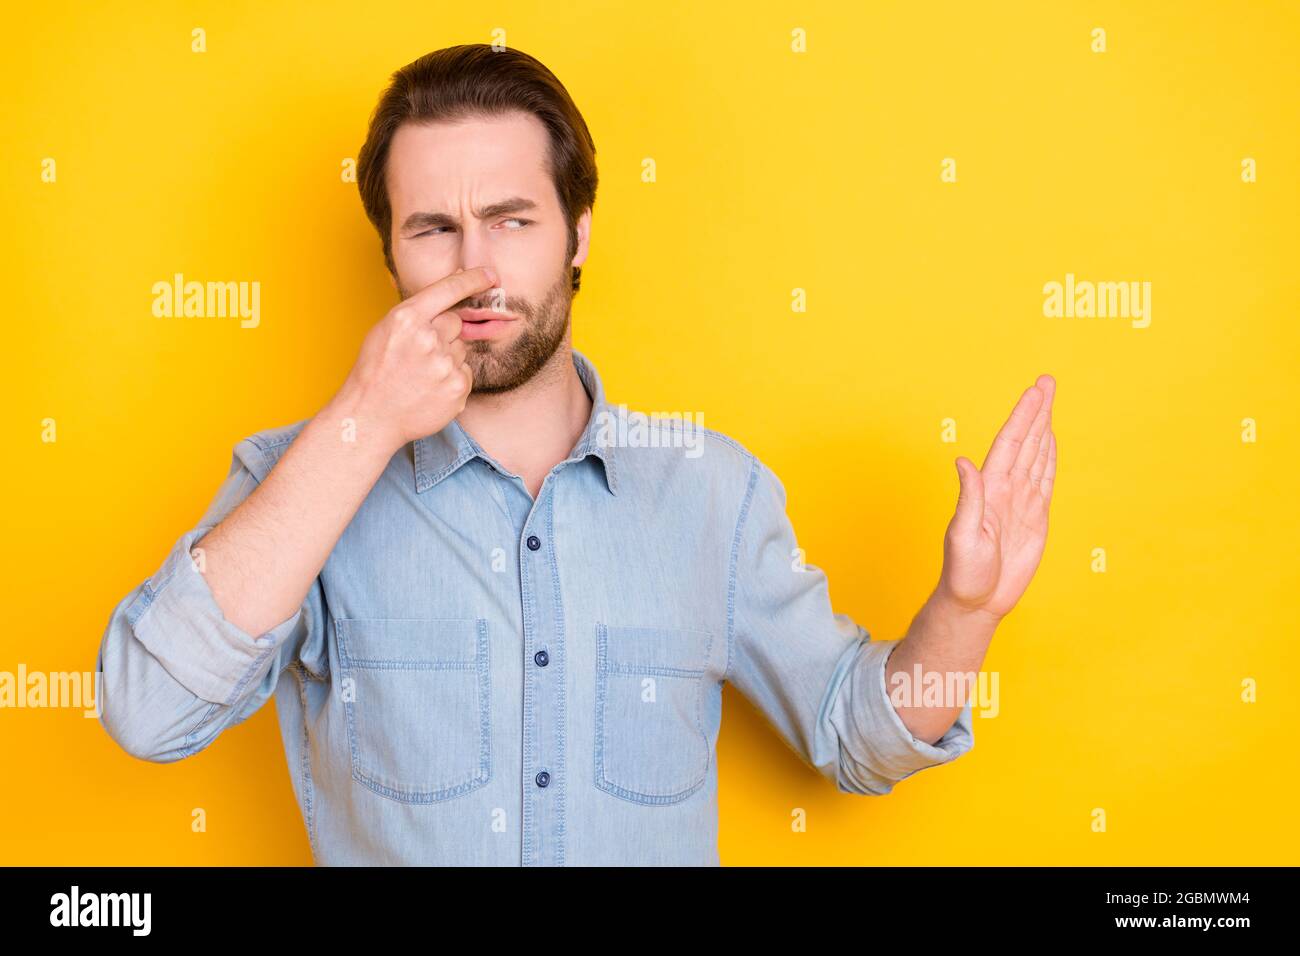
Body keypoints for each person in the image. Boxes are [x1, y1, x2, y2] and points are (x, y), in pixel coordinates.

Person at [96, 44, 1057, 865]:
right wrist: (362, 419)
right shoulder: (297, 483)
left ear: (579, 236)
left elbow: (857, 737)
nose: (475, 270)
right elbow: (147, 714)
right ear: (391, 254)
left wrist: (964, 612)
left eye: (513, 220)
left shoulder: (712, 493)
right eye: (433, 229)